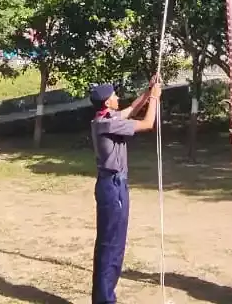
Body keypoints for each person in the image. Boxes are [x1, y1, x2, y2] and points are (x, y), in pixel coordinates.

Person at [90, 77, 161, 304]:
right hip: (112, 186)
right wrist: (156, 100)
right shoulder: (107, 123)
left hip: (114, 184)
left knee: (112, 243)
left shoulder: (106, 118)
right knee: (112, 245)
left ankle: (103, 297)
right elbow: (148, 123)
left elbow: (132, 109)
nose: (118, 98)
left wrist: (149, 91)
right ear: (106, 103)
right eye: (114, 96)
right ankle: (105, 300)